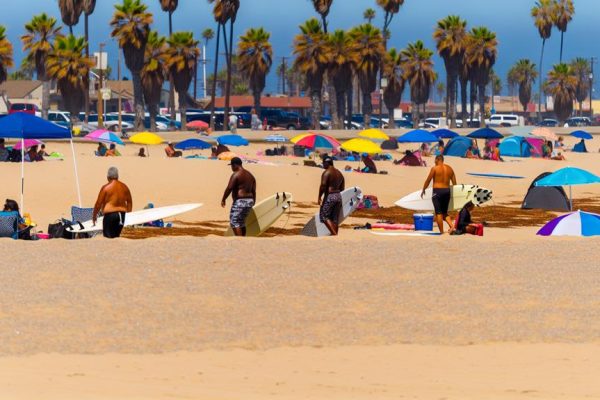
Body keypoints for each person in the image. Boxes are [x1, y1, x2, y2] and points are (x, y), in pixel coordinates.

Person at [92, 167, 133, 239]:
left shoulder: (106, 188)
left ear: (108, 177)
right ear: (117, 176)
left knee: (108, 238)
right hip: (122, 216)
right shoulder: (124, 187)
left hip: (110, 216)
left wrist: (94, 216)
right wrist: (128, 215)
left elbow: (98, 204)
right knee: (116, 237)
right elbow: (129, 202)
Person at [421, 155, 457, 234]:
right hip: (447, 191)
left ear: (438, 159)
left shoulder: (435, 168)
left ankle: (441, 232)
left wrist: (423, 189)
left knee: (438, 213)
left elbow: (428, 180)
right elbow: (455, 184)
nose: (434, 162)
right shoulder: (450, 168)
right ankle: (452, 226)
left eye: (435, 160)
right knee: (444, 213)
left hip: (437, 192)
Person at [221, 157, 256, 236]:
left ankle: (239, 240)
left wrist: (223, 199)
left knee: (234, 222)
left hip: (240, 201)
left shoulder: (236, 174)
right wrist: (253, 201)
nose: (231, 168)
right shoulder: (250, 175)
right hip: (250, 200)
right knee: (241, 222)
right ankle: (243, 239)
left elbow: (229, 188)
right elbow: (253, 190)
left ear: (234, 165)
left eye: (231, 166)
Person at [318, 157, 345, 236]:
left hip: (330, 196)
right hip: (338, 196)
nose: (323, 165)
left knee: (324, 216)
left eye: (323, 163)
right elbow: (342, 188)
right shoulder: (340, 173)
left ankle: (334, 234)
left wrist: (319, 197)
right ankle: (334, 233)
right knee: (335, 218)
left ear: (327, 163)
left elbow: (323, 185)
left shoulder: (326, 172)